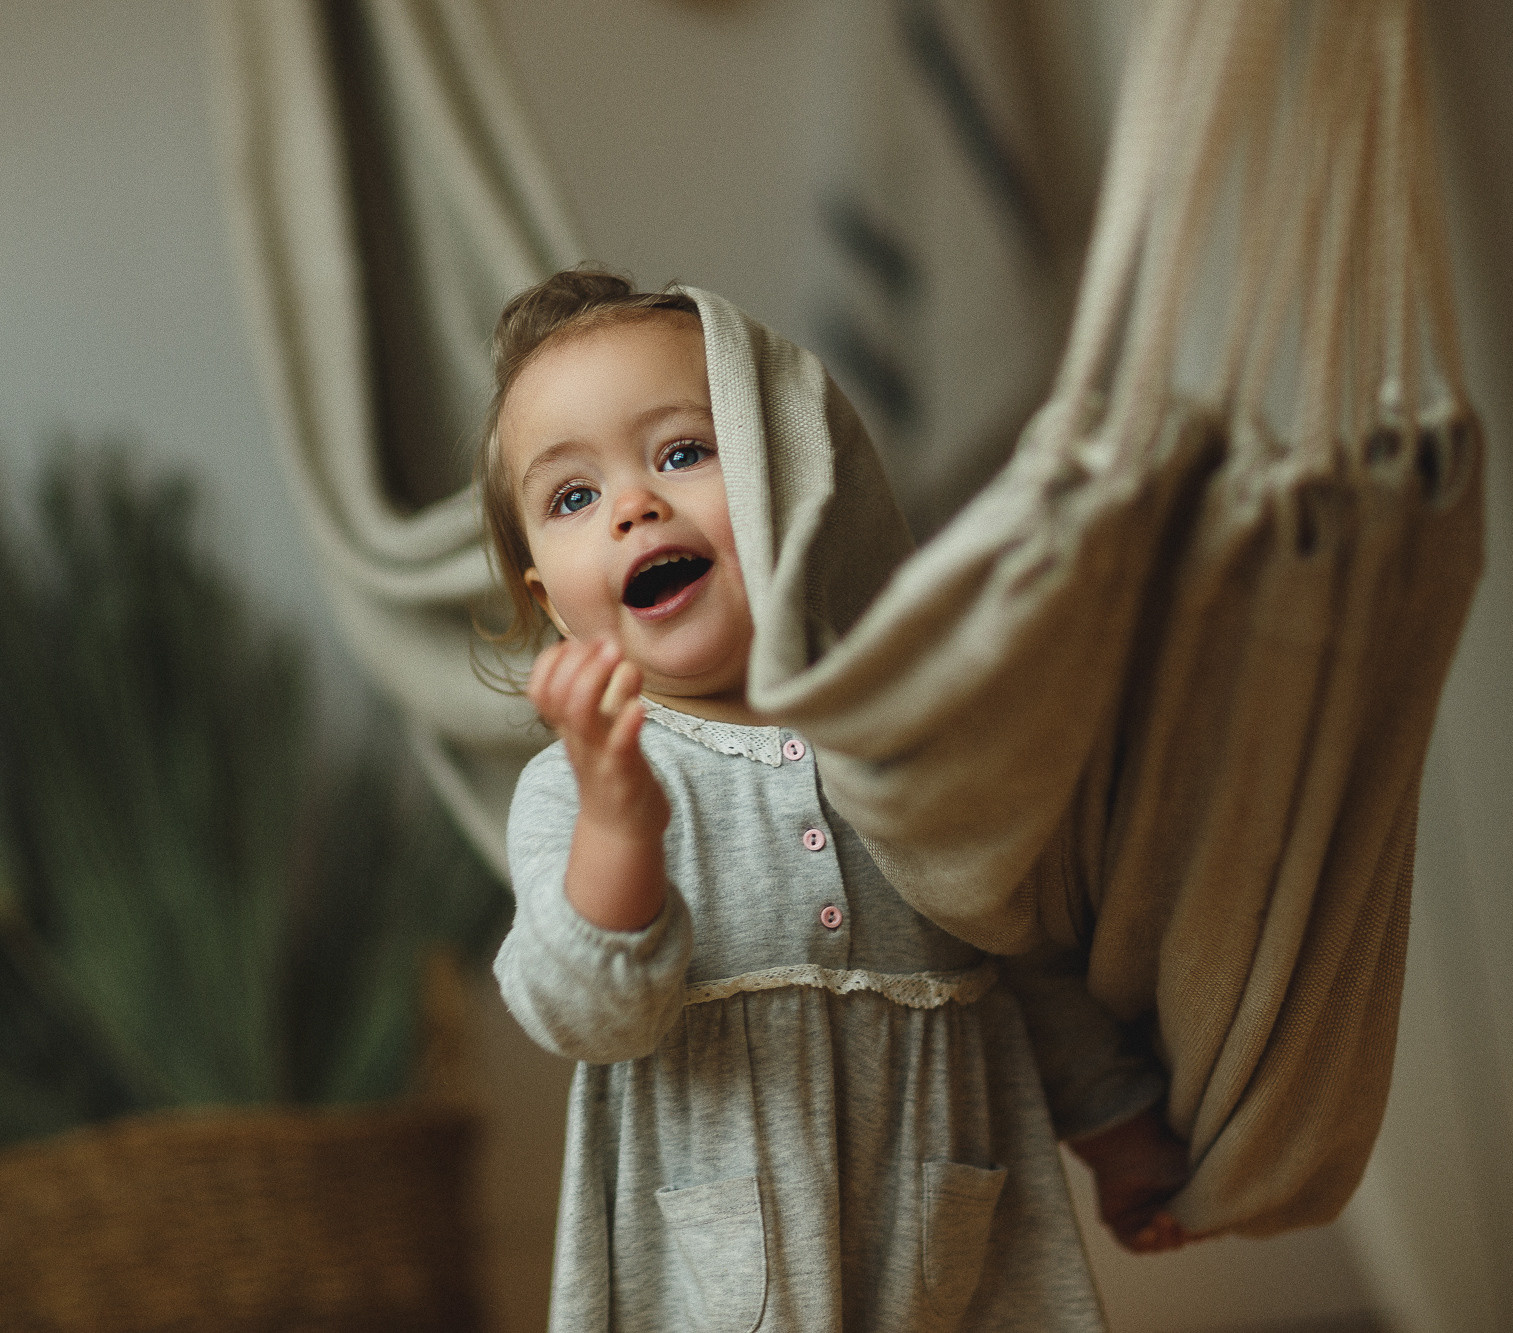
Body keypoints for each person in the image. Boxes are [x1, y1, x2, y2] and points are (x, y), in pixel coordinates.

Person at [484, 267, 1194, 1332]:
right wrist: (620, 819)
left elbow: (1019, 951)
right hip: (719, 1295)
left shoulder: (909, 746)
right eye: (572, 497)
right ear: (550, 601)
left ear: (789, 478)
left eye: (682, 452)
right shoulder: (576, 789)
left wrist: (1119, 1133)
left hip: (947, 1269)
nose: (634, 506)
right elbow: (589, 1012)